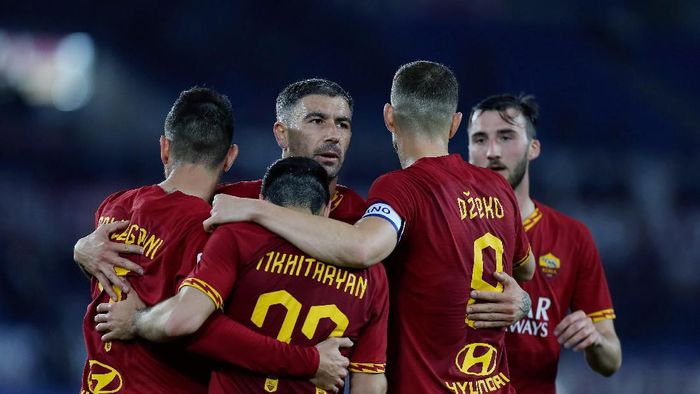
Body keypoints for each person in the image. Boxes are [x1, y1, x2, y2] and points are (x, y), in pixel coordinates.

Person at [204, 61, 536, 393]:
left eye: (343, 124)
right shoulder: (224, 203)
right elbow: (185, 319)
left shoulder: (366, 216)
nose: (332, 134)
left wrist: (522, 303)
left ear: (389, 118)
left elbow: (365, 249)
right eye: (317, 121)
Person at [79, 87, 348, 394]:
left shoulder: (113, 207)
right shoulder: (209, 229)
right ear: (230, 157)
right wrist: (310, 362)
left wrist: (80, 250)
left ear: (165, 149)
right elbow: (207, 331)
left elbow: (133, 274)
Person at [95, 157, 389, 393]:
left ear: (261, 199)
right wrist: (312, 362)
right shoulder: (373, 273)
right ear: (326, 210)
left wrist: (136, 320)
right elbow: (370, 382)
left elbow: (187, 324)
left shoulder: (237, 238)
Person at [466, 93, 622, 393]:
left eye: (506, 136)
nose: (492, 151)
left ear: (533, 148)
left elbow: (611, 360)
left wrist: (595, 339)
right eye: (480, 139)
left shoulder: (572, 237)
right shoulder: (443, 225)